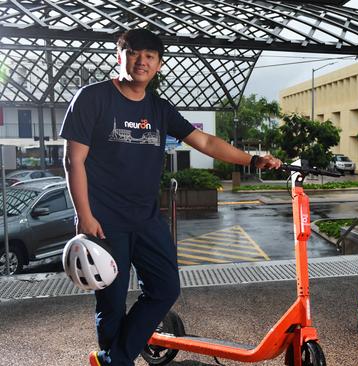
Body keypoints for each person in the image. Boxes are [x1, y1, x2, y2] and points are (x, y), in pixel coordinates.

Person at [60, 28, 281, 366]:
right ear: (120, 56)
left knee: (165, 289)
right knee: (112, 303)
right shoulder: (93, 98)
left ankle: (112, 359)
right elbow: (73, 160)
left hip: (147, 219)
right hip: (105, 222)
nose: (141, 61)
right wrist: (84, 215)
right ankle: (117, 360)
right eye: (134, 53)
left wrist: (252, 159)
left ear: (159, 65)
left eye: (150, 56)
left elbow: (205, 142)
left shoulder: (159, 109)